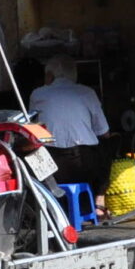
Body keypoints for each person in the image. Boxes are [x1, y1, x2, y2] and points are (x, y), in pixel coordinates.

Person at [29, 56, 110, 186]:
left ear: (50, 75)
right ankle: (99, 199)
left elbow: (33, 130)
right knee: (107, 148)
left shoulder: (37, 94)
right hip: (84, 164)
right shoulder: (87, 92)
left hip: (52, 167)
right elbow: (104, 133)